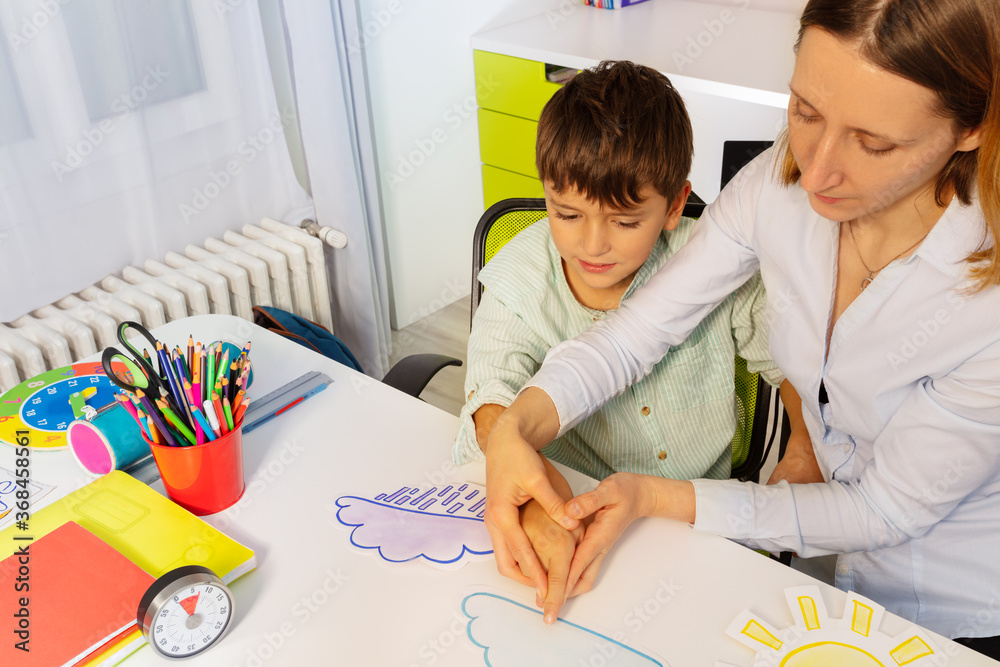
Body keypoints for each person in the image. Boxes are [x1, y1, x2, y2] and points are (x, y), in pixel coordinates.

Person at [483, 0, 1000, 657]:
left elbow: (884, 512)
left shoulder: (985, 305)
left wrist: (656, 496)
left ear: (971, 128)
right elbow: (636, 331)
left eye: (874, 143)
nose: (813, 172)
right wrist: (517, 426)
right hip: (838, 577)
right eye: (805, 110)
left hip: (961, 604)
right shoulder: (776, 187)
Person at [456, 61, 807, 619]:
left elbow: (791, 363)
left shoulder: (713, 262)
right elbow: (489, 393)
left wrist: (806, 448)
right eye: (566, 213)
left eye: (623, 222)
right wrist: (535, 495)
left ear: (673, 206)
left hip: (690, 517)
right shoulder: (520, 273)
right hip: (574, 505)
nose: (592, 244)